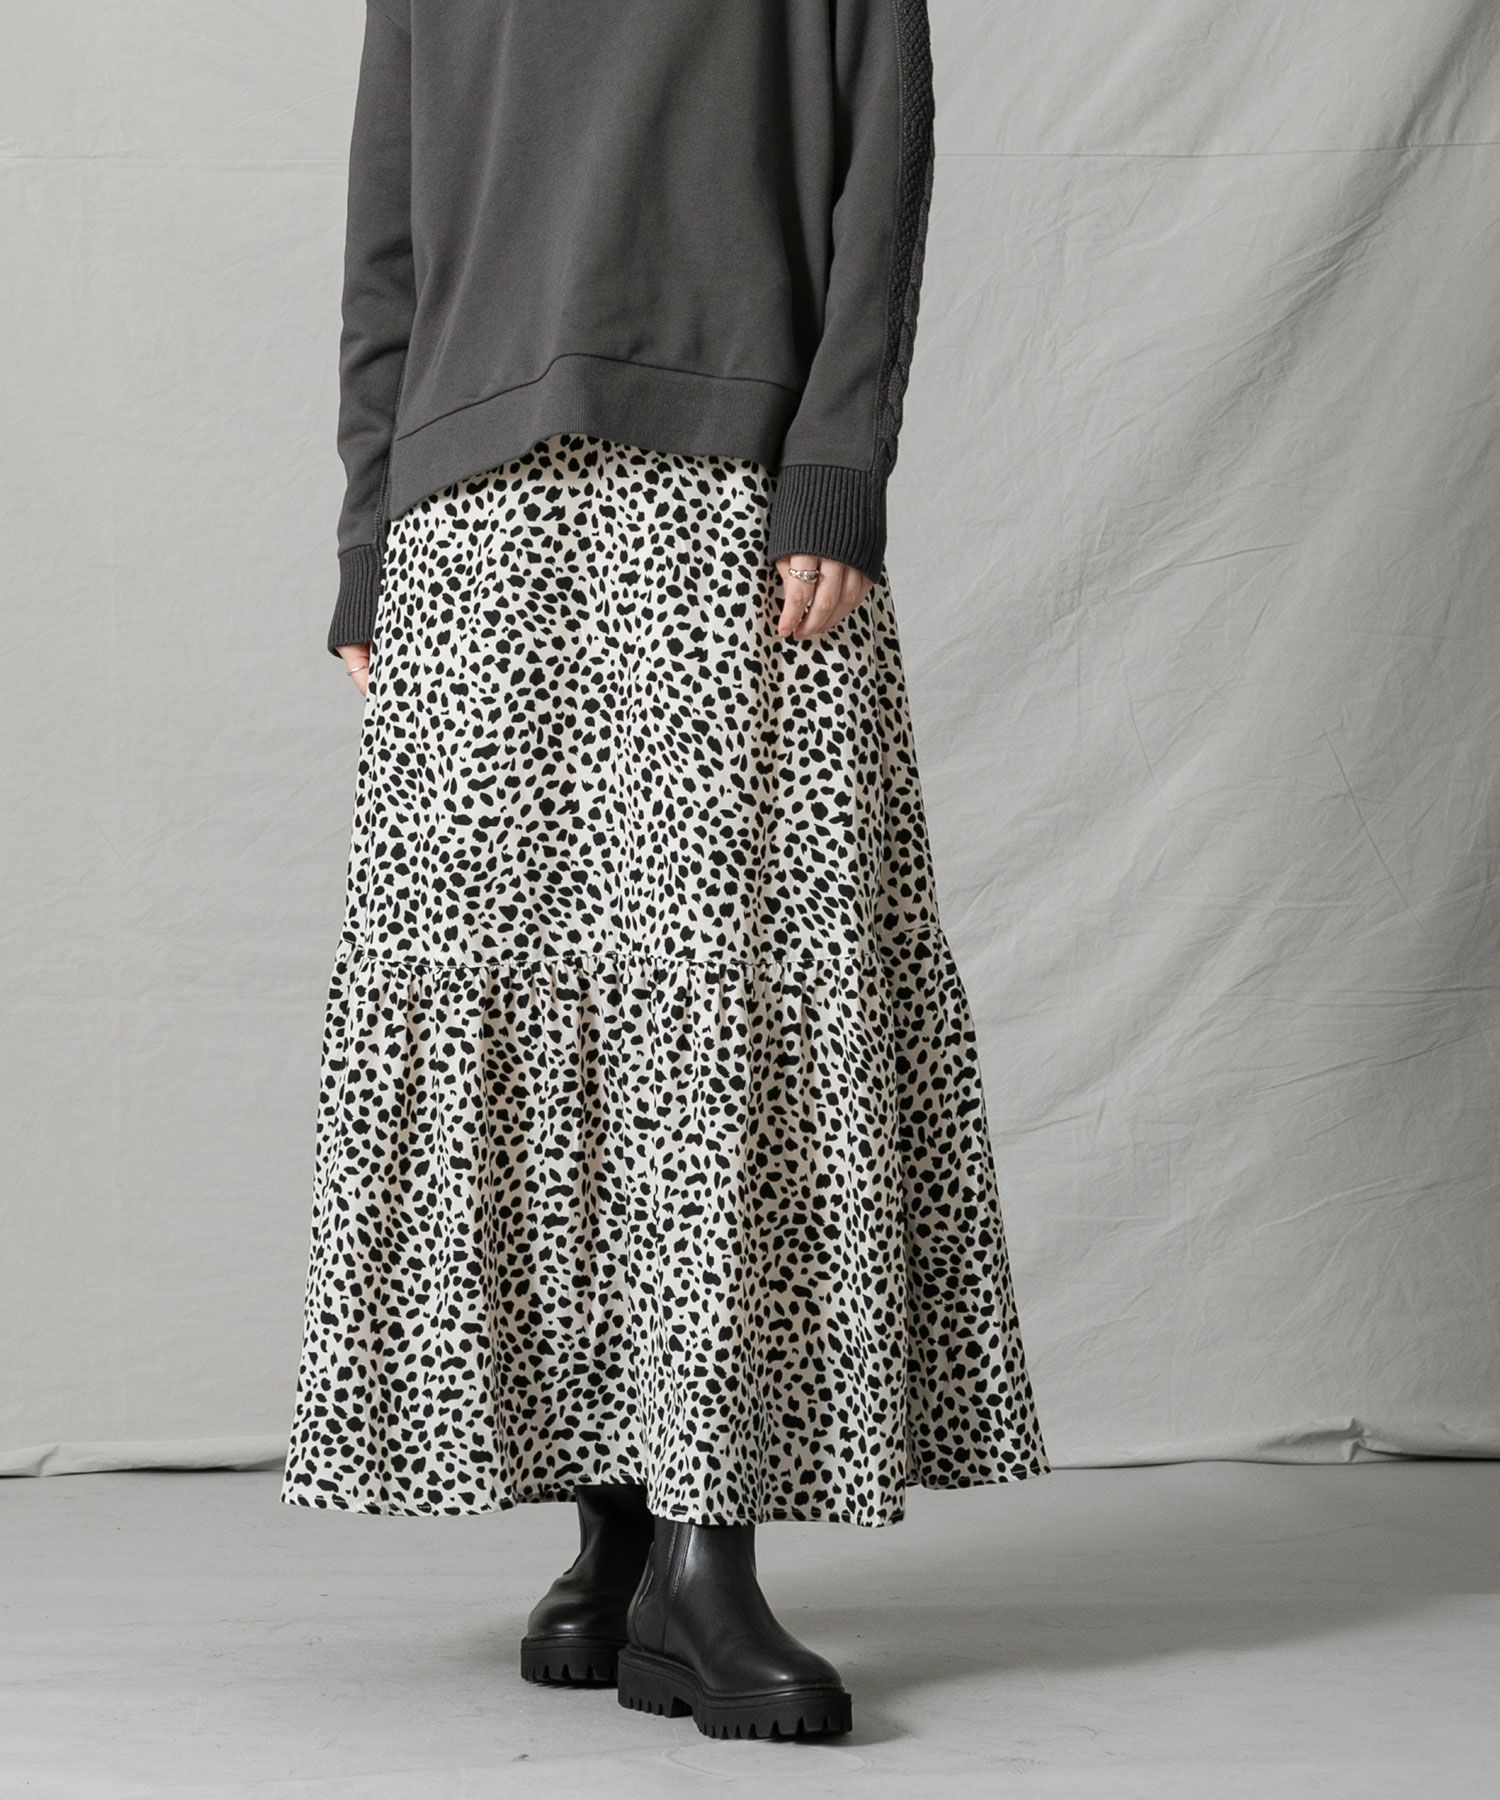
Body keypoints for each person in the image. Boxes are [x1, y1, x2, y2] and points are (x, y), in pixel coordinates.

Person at [280, 0, 1048, 1743]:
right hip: (473, 512)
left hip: (729, 488)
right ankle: (616, 1536)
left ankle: (711, 1556)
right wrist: (369, 524)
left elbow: (880, 167)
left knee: (724, 1017)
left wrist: (837, 458)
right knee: (542, 1009)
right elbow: (388, 226)